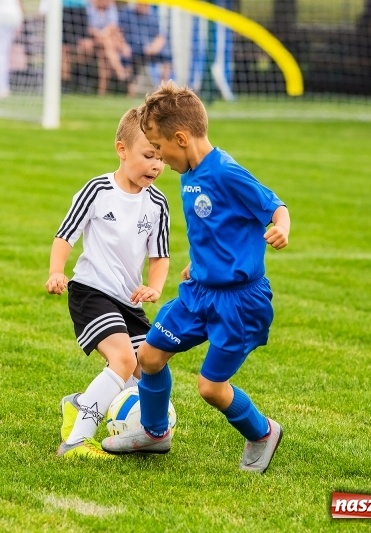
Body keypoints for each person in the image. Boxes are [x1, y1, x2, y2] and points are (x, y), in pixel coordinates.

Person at [101, 81, 290, 474]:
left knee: (210, 388)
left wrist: (281, 228)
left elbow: (275, 206)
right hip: (199, 291)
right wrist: (200, 263)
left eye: (159, 148)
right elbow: (214, 228)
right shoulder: (190, 172)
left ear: (182, 138)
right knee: (149, 356)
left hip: (239, 302)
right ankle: (155, 433)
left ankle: (262, 432)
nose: (159, 158)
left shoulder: (226, 173)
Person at [46, 106, 170, 459]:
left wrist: (155, 287)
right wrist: (56, 271)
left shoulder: (158, 203)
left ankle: (84, 405)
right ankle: (75, 441)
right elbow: (65, 235)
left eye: (161, 158)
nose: (156, 166)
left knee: (148, 367)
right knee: (122, 359)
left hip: (129, 301)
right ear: (122, 150)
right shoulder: (98, 190)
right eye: (148, 156)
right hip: (91, 291)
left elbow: (160, 255)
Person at [118, 2, 171, 97]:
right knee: (127, 58)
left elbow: (160, 37)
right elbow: (119, 32)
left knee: (167, 56)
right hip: (132, 48)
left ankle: (162, 92)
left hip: (149, 49)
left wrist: (154, 47)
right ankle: (130, 93)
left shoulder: (152, 16)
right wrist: (123, 46)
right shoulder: (127, 13)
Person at [86, 0, 130, 95]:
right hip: (92, 40)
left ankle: (101, 91)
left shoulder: (111, 7)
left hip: (105, 41)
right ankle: (120, 72)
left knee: (104, 55)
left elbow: (112, 26)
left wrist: (103, 34)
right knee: (108, 44)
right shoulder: (89, 7)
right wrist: (101, 35)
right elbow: (89, 28)